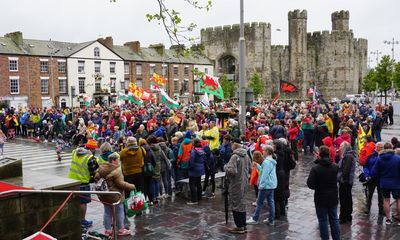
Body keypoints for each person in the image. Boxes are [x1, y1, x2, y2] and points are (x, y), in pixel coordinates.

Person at [94, 152, 135, 236]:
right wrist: (131, 186)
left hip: (104, 195)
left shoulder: (100, 169)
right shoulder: (116, 171)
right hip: (115, 196)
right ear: (113, 160)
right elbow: (120, 184)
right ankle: (121, 230)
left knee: (107, 212)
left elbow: (96, 179)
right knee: (119, 211)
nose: (119, 161)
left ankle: (108, 230)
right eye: (118, 160)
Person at [307, 146, 340, 240]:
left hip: (320, 197)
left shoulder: (316, 168)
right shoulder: (335, 166)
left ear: (319, 155)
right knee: (334, 219)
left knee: (322, 220)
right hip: (333, 197)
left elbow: (310, 184)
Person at [68, 144, 99, 228]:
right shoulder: (90, 158)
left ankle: (74, 219)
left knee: (73, 202)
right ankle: (82, 220)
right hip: (83, 183)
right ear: (91, 149)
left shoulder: (75, 152)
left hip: (71, 181)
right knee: (83, 203)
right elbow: (93, 173)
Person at [224, 140, 252, 234]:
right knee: (242, 203)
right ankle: (243, 225)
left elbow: (232, 171)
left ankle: (239, 226)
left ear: (234, 146)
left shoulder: (234, 156)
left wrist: (226, 167)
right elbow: (250, 168)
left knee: (236, 203)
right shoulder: (246, 155)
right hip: (244, 182)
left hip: (236, 183)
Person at [246, 145, 277, 226]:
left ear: (267, 152)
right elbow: (264, 171)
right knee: (271, 202)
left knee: (259, 203)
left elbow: (264, 175)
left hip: (266, 185)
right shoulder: (271, 161)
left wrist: (261, 185)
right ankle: (271, 220)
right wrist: (258, 166)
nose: (262, 152)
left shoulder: (266, 162)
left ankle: (255, 218)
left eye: (263, 151)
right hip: (271, 185)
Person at [372, 142, 400, 225]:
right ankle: (399, 220)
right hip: (396, 183)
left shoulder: (379, 159)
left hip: (384, 183)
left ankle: (388, 219)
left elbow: (374, 172)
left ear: (384, 148)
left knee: (386, 200)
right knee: (398, 200)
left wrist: (380, 178)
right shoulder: (398, 158)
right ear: (392, 148)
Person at [337, 141, 356, 224]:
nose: (339, 148)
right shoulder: (348, 155)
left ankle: (343, 217)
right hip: (347, 181)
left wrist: (343, 179)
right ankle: (348, 216)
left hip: (345, 181)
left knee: (344, 199)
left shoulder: (348, 156)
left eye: (341, 146)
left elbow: (346, 169)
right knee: (347, 198)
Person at [363, 142, 384, 215]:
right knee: (369, 194)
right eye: (378, 146)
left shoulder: (384, 157)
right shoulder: (370, 156)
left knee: (381, 195)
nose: (379, 148)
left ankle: (381, 210)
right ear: (375, 147)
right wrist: (367, 174)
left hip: (381, 179)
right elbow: (365, 166)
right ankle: (367, 208)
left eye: (381, 147)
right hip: (371, 178)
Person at [187, 138, 206, 205]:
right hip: (200, 169)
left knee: (192, 184)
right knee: (198, 183)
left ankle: (194, 200)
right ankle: (199, 197)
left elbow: (191, 161)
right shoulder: (201, 150)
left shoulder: (193, 151)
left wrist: (189, 167)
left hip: (194, 169)